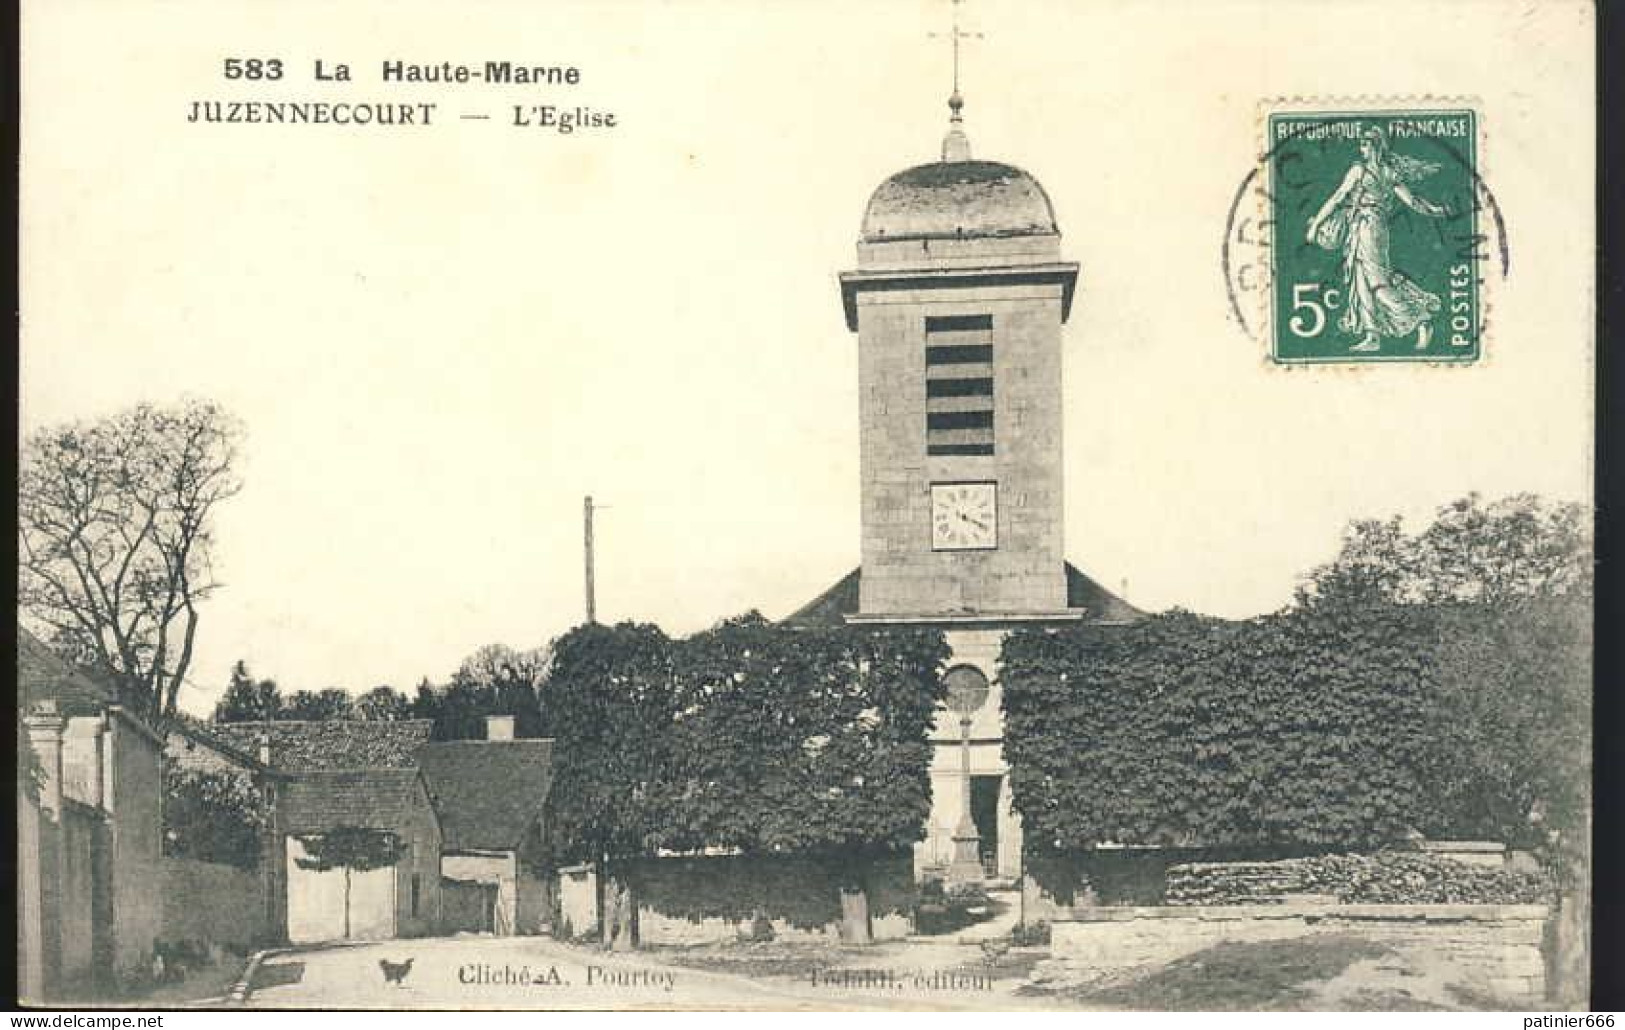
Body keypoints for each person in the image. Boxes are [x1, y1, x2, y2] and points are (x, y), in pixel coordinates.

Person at [1305, 126, 1453, 352]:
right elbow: (1413, 202)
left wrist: (1316, 225)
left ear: (1374, 146)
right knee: (1361, 279)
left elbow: (1337, 198)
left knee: (1377, 282)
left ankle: (1420, 320)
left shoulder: (1361, 171)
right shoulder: (1387, 172)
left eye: (1364, 144)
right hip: (1367, 228)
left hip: (1369, 228)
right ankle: (1372, 335)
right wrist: (1435, 210)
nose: (1361, 148)